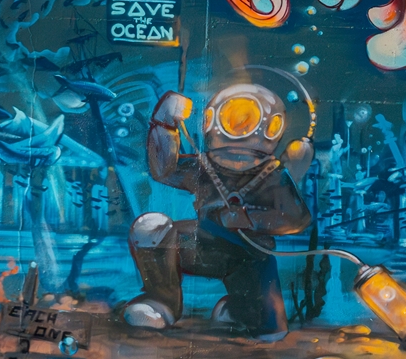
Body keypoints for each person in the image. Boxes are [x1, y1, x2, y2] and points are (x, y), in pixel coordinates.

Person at [122, 83, 313, 337]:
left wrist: (249, 219)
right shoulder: (204, 168)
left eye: (246, 120)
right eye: (233, 118)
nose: (240, 128)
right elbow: (164, 170)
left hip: (248, 256)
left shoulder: (273, 176)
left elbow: (297, 217)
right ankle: (161, 302)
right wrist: (164, 125)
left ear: (273, 127)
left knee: (267, 329)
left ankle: (241, 310)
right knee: (150, 228)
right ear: (211, 121)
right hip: (201, 245)